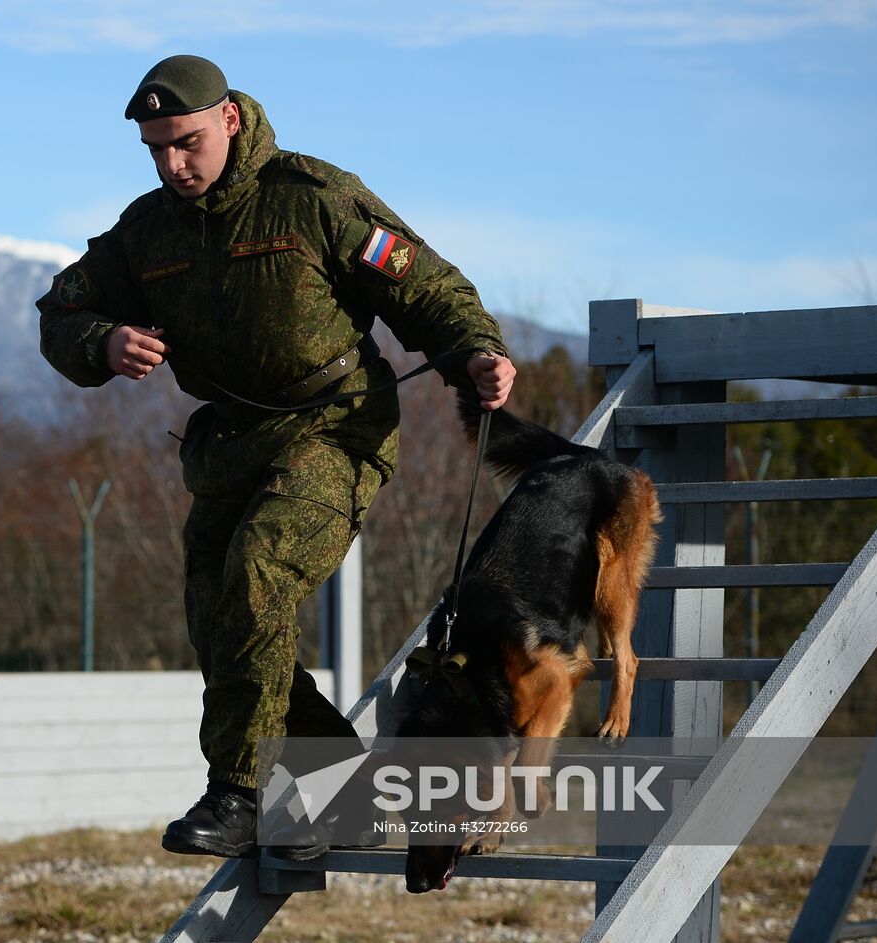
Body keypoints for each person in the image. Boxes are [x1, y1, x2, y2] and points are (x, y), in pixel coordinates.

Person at [37, 54, 516, 859]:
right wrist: (103, 341)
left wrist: (476, 352)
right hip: (231, 443)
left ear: (229, 119)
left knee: (258, 574)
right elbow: (60, 310)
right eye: (156, 150)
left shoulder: (313, 197)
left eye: (186, 142)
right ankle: (346, 794)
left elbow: (425, 286)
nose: (172, 164)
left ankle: (242, 792)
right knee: (221, 619)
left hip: (336, 426)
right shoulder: (146, 231)